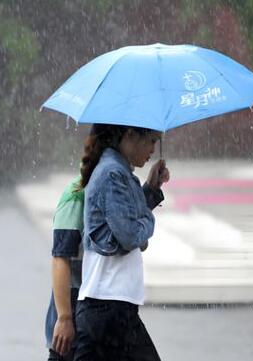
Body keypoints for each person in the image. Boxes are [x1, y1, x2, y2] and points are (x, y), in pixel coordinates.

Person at [73, 124, 170, 361]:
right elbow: (129, 234)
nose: (153, 150)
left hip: (111, 308)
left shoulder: (118, 171)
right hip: (108, 306)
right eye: (151, 141)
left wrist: (152, 187)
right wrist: (148, 220)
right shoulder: (112, 173)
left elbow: (124, 219)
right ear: (129, 135)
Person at [46, 176, 84, 361]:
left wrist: (151, 190)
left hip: (99, 313)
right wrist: (64, 318)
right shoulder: (77, 194)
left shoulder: (109, 186)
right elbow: (60, 258)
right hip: (76, 309)